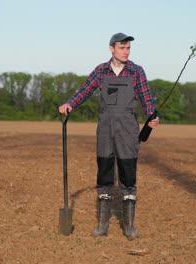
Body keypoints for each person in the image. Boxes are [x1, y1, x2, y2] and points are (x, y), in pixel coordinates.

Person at [58, 32, 159, 240]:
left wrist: (152, 115)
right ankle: (102, 226)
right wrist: (70, 104)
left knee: (128, 176)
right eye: (122, 47)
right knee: (104, 174)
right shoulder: (100, 71)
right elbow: (84, 91)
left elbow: (146, 97)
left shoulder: (136, 71)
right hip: (105, 129)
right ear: (112, 48)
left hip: (128, 129)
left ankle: (129, 227)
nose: (126, 51)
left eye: (128, 48)